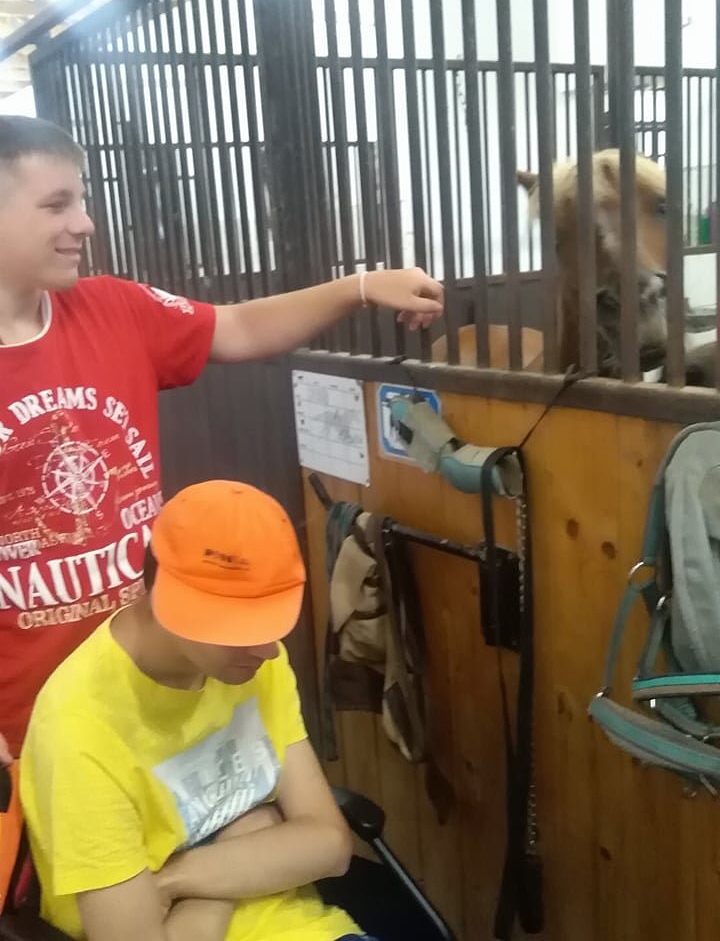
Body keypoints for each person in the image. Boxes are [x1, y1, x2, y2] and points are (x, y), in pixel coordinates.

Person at [0, 114, 444, 763]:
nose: (85, 223)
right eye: (56, 204)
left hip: (157, 681)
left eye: (83, 200)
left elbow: (236, 327)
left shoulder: (114, 309)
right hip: (32, 721)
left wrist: (359, 288)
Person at [20, 479, 377, 941]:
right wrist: (246, 839)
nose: (268, 649)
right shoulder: (78, 728)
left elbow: (330, 845)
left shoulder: (251, 662)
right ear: (165, 602)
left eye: (270, 620)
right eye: (239, 626)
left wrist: (174, 880)